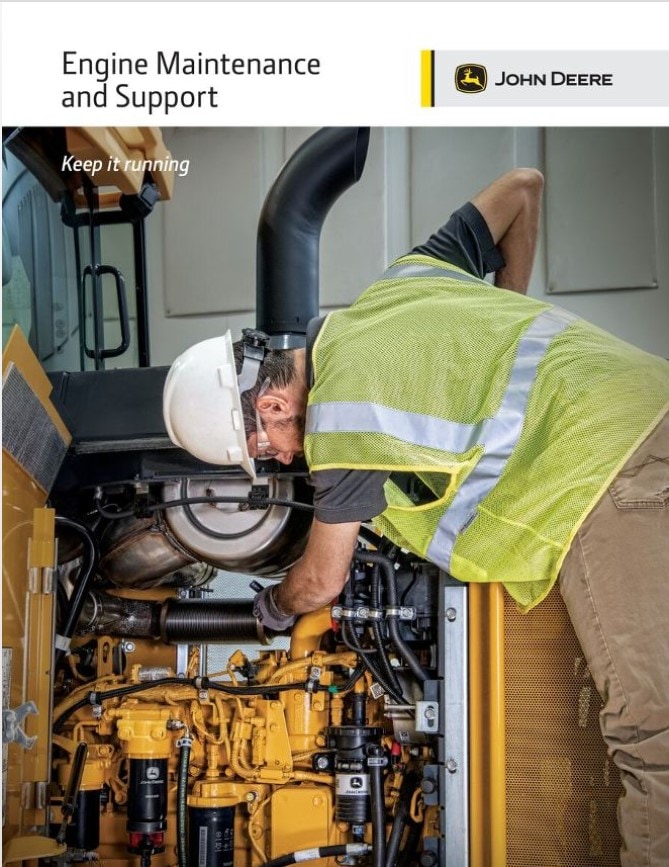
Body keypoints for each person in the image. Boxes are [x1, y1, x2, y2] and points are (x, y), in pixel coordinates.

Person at [163, 168, 669, 866]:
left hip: (600, 472)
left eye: (265, 453)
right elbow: (522, 188)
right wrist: (501, 319)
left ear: (272, 408)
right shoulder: (399, 284)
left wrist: (268, 612)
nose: (281, 462)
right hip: (647, 407)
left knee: (653, 736)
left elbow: (320, 581)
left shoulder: (338, 420)